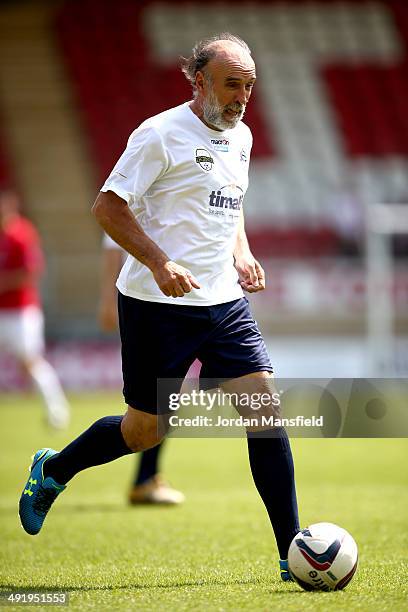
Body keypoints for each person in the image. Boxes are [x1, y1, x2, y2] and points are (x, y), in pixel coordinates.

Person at [19, 33, 300, 581]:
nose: (242, 97)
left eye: (249, 86)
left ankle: (293, 553)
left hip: (223, 303)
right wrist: (159, 262)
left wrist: (242, 254)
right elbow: (106, 206)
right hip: (157, 306)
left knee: (266, 417)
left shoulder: (239, 136)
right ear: (198, 81)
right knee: (145, 432)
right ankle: (54, 468)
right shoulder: (159, 134)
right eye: (231, 84)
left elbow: (231, 205)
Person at [99, 233, 185, 505]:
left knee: (166, 400)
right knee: (154, 407)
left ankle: (146, 477)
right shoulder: (134, 196)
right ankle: (144, 479)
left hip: (178, 302)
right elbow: (113, 247)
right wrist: (107, 299)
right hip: (147, 304)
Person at [0, 189, 70, 429]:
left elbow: (31, 272)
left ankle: (56, 412)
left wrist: (4, 282)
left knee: (30, 362)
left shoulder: (21, 233)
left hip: (20, 311)